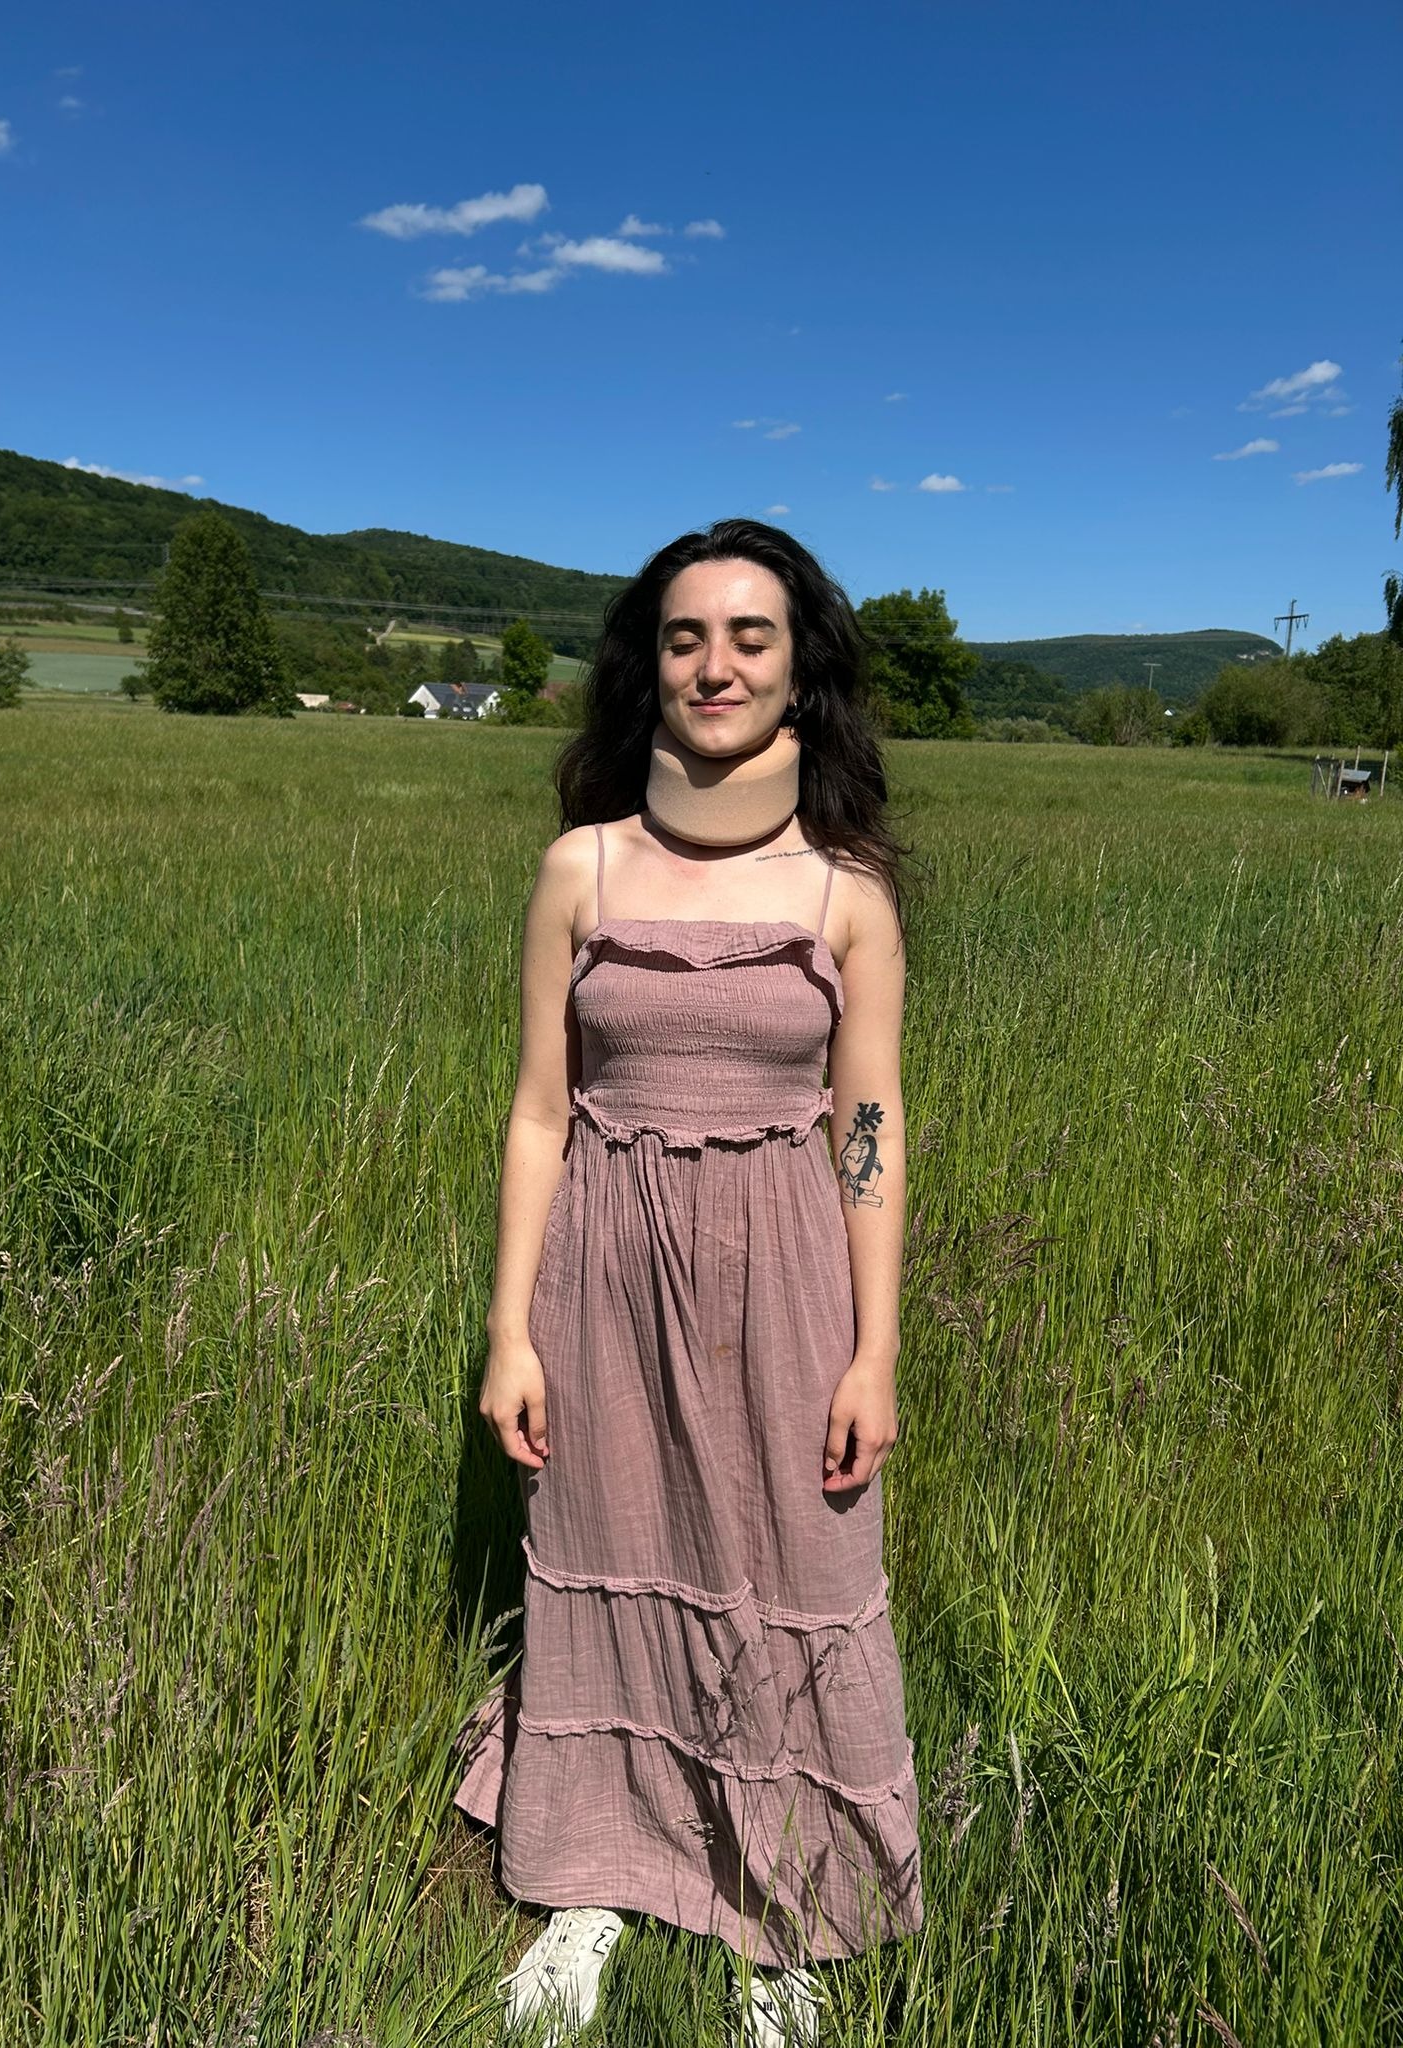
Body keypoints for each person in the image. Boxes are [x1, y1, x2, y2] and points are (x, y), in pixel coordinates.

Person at [456, 518, 923, 2045]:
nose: (714, 665)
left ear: (799, 672)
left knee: (798, 1570)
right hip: (602, 1269)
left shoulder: (846, 891)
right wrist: (509, 1326)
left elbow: (868, 1126)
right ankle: (594, 1874)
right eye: (683, 637)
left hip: (785, 1275)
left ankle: (788, 1916)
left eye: (749, 636)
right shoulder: (580, 867)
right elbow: (540, 1110)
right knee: (604, 1542)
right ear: (647, 668)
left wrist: (875, 1350)